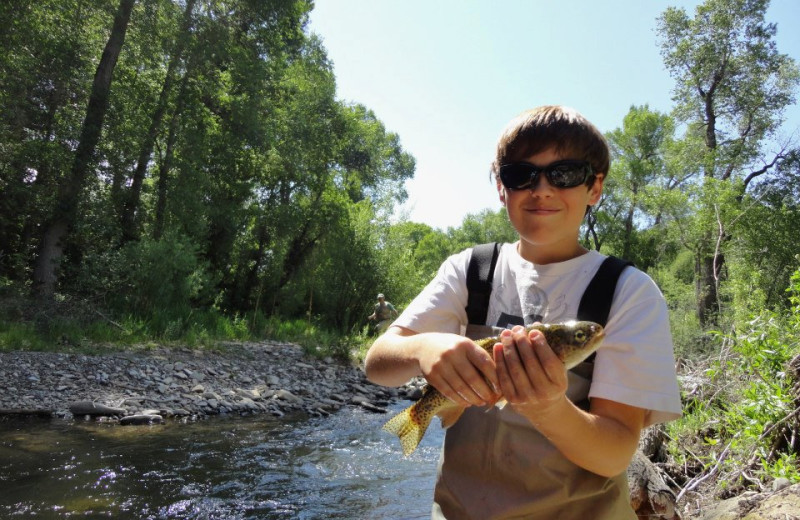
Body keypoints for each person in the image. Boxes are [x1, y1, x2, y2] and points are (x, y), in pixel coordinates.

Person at [364, 105, 682, 519]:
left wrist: (547, 406)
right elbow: (377, 365)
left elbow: (614, 455)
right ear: (502, 187)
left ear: (595, 187)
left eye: (565, 174)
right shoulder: (470, 270)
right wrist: (423, 348)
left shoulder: (630, 294)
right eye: (521, 175)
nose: (543, 189)